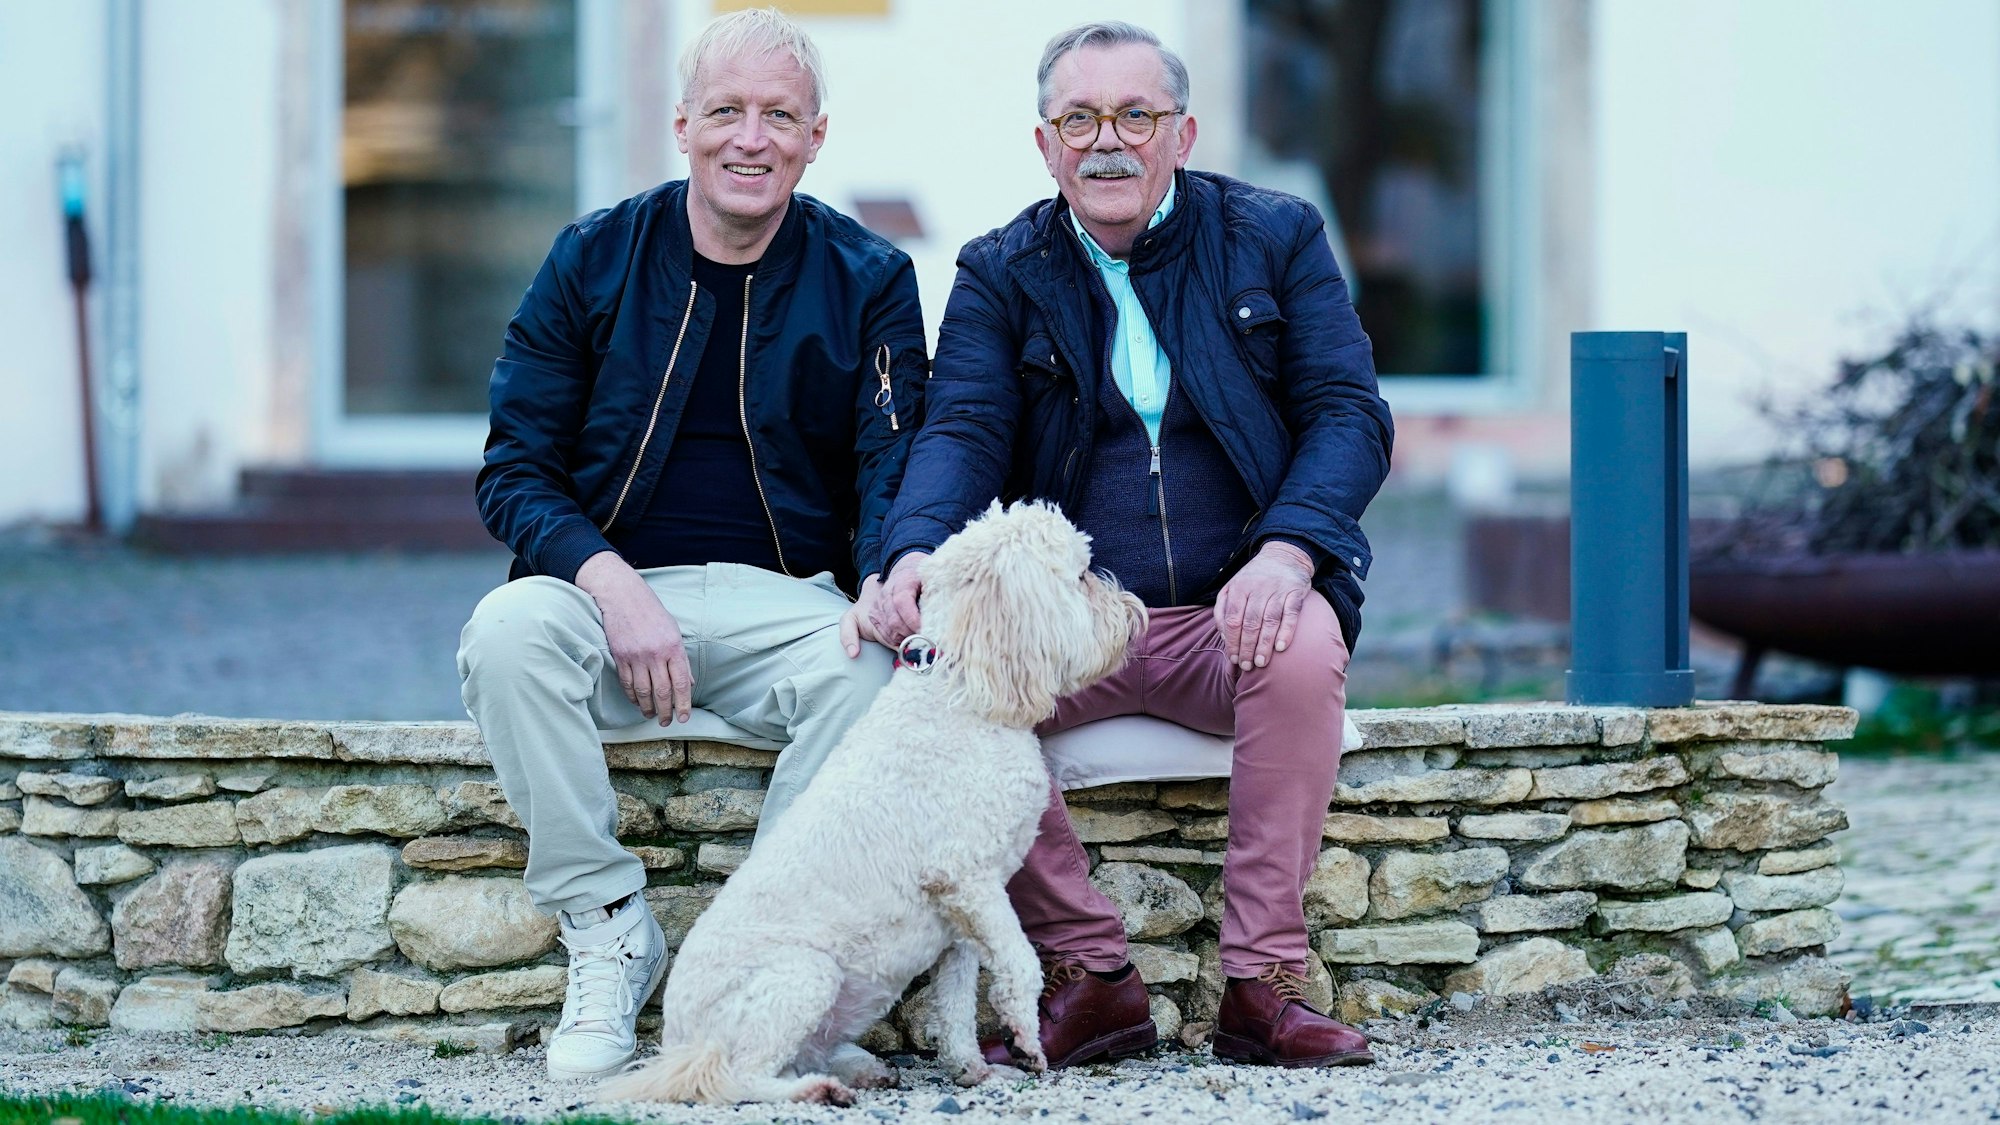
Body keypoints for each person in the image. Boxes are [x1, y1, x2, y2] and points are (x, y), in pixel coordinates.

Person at [872, 20, 1393, 1070]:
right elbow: (962, 426)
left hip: (1233, 609)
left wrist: (1288, 551)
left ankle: (1262, 986)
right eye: (1078, 119)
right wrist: (914, 549)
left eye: (1133, 116)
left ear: (1181, 132)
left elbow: (1348, 414)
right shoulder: (999, 268)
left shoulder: (1274, 236)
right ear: (1044, 143)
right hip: (1076, 628)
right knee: (941, 694)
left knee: (1297, 656)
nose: (1105, 142)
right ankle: (1090, 976)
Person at [456, 7, 925, 1081]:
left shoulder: (868, 279)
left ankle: (765, 959)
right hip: (608, 589)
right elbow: (513, 468)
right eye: (724, 111)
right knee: (505, 634)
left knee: (871, 679)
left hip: (788, 598)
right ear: (680, 124)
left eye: (777, 115)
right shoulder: (591, 258)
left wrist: (887, 578)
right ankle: (609, 927)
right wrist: (612, 585)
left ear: (815, 137)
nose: (748, 138)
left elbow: (894, 462)